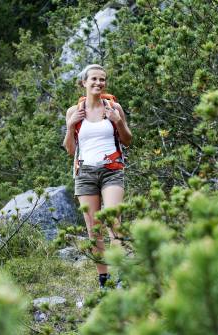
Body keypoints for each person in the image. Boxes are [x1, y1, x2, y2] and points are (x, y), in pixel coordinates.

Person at [63, 64, 132, 288]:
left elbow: (128, 139)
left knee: (114, 221)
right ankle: (104, 279)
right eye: (94, 79)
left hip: (112, 169)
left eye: (102, 80)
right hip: (84, 173)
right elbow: (70, 149)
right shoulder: (74, 113)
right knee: (94, 228)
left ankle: (121, 275)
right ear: (83, 83)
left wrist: (118, 121)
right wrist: (70, 127)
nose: (98, 83)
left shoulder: (114, 107)